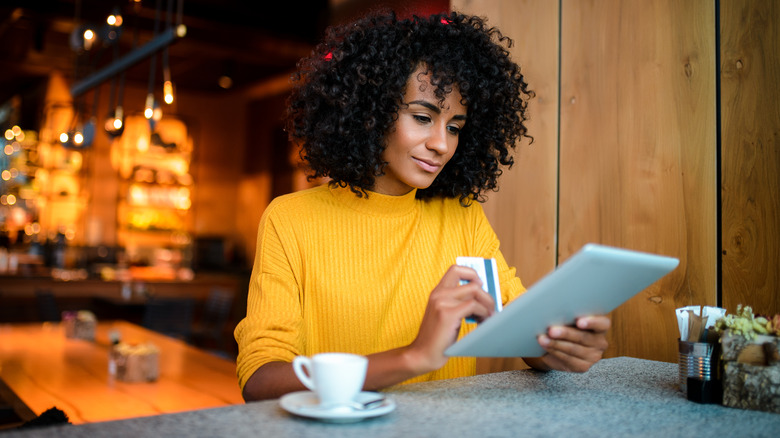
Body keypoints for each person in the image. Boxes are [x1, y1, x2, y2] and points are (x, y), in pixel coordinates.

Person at [234, 9, 610, 402]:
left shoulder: (462, 217)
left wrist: (561, 343)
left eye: (454, 127)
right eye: (421, 117)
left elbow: (522, 330)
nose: (442, 145)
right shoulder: (291, 219)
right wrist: (412, 357)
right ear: (369, 113)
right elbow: (261, 380)